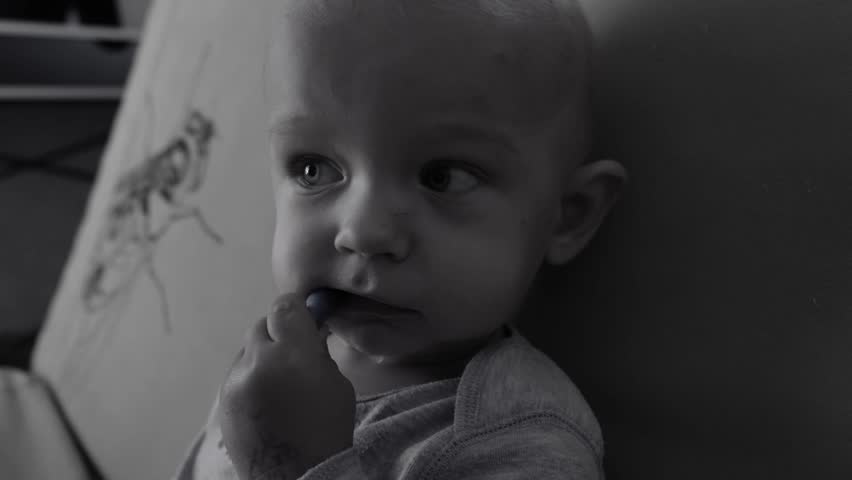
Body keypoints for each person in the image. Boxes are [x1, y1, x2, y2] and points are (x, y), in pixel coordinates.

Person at [173, 0, 627, 478]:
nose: (363, 232)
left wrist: (300, 466)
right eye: (314, 169)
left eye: (443, 177)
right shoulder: (277, 366)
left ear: (566, 217)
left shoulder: (523, 445)